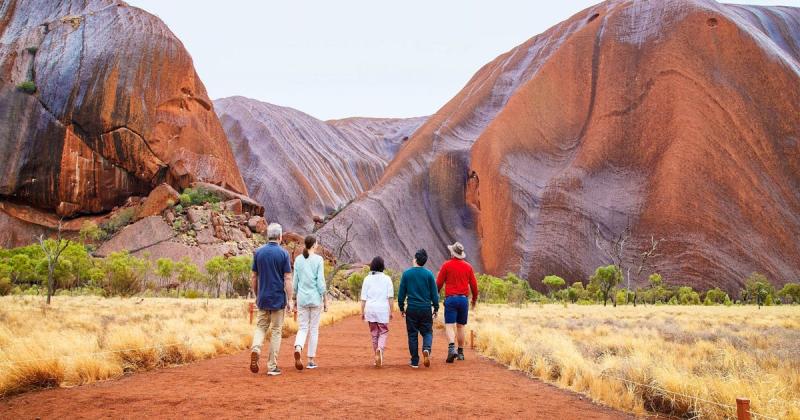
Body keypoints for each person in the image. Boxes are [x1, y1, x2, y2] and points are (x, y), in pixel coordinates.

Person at [249, 223, 293, 376]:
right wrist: (290, 298)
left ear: (268, 236)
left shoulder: (258, 253)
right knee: (276, 331)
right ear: (280, 237)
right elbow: (287, 278)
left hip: (263, 298)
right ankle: (272, 366)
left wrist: (256, 295)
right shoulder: (283, 254)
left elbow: (254, 276)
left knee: (261, 327)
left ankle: (255, 348)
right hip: (278, 299)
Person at [436, 241, 478, 363]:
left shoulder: (446, 265)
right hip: (464, 300)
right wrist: (474, 300)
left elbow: (438, 283)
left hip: (451, 299)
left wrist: (436, 295)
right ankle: (460, 353)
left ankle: (451, 349)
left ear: (452, 253)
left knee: (449, 325)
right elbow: (474, 286)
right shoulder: (468, 267)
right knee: (460, 326)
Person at [398, 249, 439, 369]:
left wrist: (401, 308)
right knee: (427, 332)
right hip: (426, 308)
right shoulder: (429, 274)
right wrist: (436, 308)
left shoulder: (407, 274)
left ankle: (415, 361)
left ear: (415, 259)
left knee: (412, 334)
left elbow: (401, 294)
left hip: (412, 309)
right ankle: (426, 349)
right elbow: (434, 294)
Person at [292, 235, 328, 370]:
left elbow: (295, 281)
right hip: (315, 298)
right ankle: (311, 359)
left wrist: (293, 298)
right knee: (313, 329)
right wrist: (325, 300)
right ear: (313, 245)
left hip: (302, 298)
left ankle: (298, 347)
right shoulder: (319, 260)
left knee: (302, 328)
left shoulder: (298, 260)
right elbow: (320, 281)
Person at [360, 256, 394, 367]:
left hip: (370, 309)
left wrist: (362, 312)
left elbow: (363, 298)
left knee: (374, 334)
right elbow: (390, 297)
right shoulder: (387, 279)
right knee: (383, 332)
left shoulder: (367, 279)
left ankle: (376, 356)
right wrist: (391, 311)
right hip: (382, 310)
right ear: (382, 267)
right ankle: (380, 349)